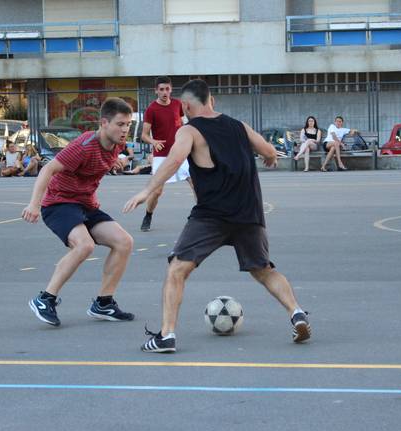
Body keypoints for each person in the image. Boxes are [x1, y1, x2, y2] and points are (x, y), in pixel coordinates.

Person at [123, 79, 312, 353]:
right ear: (212, 101)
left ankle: (166, 336)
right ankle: (297, 313)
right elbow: (270, 152)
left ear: (185, 106)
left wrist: (147, 190)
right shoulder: (239, 125)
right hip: (249, 211)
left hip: (212, 214)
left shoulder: (189, 130)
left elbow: (174, 160)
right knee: (264, 270)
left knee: (177, 269)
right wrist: (270, 157)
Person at [22, 97, 135, 327]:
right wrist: (33, 204)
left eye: (128, 125)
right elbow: (48, 169)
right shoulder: (84, 146)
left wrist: (114, 162)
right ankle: (45, 299)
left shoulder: (118, 144)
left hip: (86, 205)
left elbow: (105, 159)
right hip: (59, 203)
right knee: (85, 245)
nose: (125, 130)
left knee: (124, 242)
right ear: (104, 123)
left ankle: (103, 303)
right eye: (120, 124)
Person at [139, 76, 191, 231]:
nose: (164, 92)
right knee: (157, 192)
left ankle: (203, 218)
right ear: (156, 90)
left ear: (171, 89)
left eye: (167, 89)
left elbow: (184, 122)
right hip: (161, 155)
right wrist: (153, 142)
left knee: (196, 183)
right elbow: (144, 135)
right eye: (161, 89)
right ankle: (148, 215)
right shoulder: (151, 109)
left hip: (181, 152)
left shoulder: (177, 105)